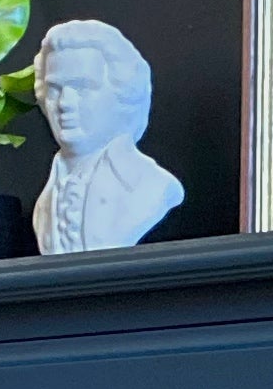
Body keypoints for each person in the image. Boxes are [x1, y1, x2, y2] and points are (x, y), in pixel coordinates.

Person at [32, 19, 184, 252]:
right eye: (55, 90)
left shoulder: (150, 186)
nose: (65, 103)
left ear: (122, 93)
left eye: (82, 87)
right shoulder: (44, 203)